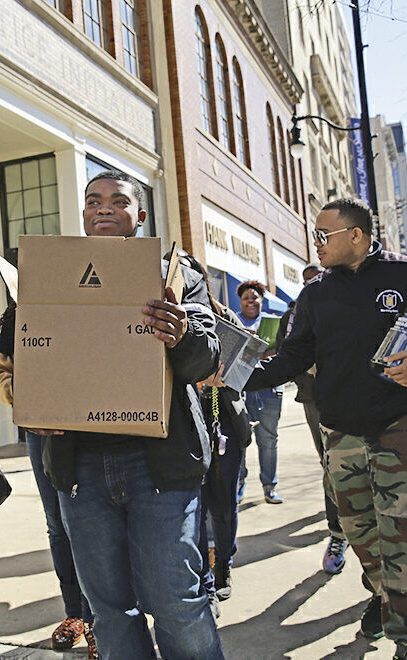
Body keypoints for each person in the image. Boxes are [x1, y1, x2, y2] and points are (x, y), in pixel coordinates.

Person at [219, 198, 407, 660]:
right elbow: (292, 357)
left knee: (400, 537)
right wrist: (232, 377)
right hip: (341, 437)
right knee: (360, 535)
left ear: (356, 235)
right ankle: (382, 597)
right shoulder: (315, 295)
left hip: (400, 429)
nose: (315, 244)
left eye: (323, 235)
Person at [15, 171, 224, 659]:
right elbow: (24, 358)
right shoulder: (50, 272)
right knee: (108, 611)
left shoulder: (176, 273)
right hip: (79, 470)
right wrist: (33, 405)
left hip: (159, 467)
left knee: (176, 601)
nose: (103, 208)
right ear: (84, 214)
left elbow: (206, 359)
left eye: (117, 200)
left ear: (140, 215)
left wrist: (181, 334)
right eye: (93, 201)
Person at [0, 300, 99, 659]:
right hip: (43, 428)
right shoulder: (19, 313)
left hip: (93, 420)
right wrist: (25, 399)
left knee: (94, 523)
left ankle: (101, 620)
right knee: (58, 524)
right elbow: (1, 367)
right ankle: (76, 614)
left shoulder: (83, 297)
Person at [172, 251, 254, 613]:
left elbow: (244, 372)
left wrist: (218, 378)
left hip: (223, 426)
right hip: (185, 428)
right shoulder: (165, 317)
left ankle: (224, 567)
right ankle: (204, 576)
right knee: (195, 506)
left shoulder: (224, 317)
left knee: (223, 507)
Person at [276, 263, 347, 575]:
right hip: (314, 398)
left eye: (317, 278)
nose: (312, 284)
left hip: (355, 396)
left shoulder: (348, 301)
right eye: (306, 281)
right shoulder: (293, 313)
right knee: (331, 465)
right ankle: (338, 534)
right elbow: (283, 352)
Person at [236, 280, 284, 504]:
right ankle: (238, 486)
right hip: (242, 390)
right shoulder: (233, 321)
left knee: (268, 441)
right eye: (246, 298)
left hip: (269, 390)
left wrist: (270, 351)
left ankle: (269, 487)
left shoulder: (274, 323)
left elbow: (286, 352)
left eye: (255, 297)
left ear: (262, 300)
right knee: (240, 440)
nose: (251, 302)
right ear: (240, 301)